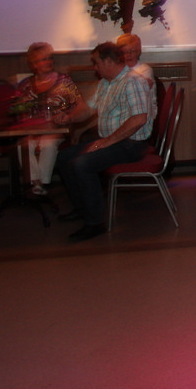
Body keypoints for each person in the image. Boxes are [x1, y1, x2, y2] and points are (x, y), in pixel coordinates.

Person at [52, 42, 155, 242]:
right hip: (115, 141)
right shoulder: (106, 83)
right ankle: (82, 208)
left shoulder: (132, 81)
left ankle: (95, 222)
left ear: (108, 61)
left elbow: (139, 119)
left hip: (132, 144)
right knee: (64, 157)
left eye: (96, 62)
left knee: (82, 164)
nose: (94, 67)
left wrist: (105, 142)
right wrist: (69, 117)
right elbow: (88, 109)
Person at [12, 42, 81, 195]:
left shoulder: (64, 81)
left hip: (58, 129)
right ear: (34, 64)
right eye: (44, 59)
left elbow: (79, 105)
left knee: (48, 143)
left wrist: (68, 117)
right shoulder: (25, 85)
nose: (49, 62)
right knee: (23, 145)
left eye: (50, 58)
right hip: (33, 130)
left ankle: (41, 183)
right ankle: (36, 183)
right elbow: (17, 111)